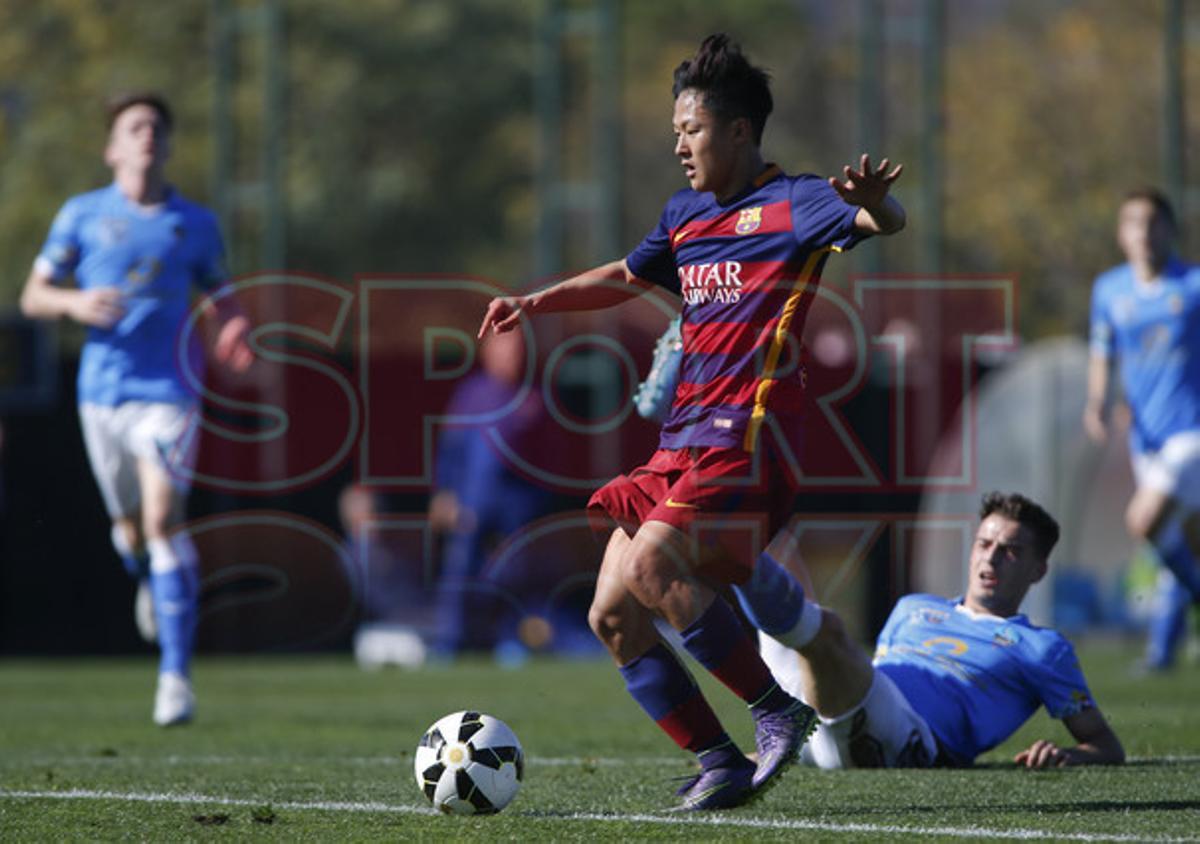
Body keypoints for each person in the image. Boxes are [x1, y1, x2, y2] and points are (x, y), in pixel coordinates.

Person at [478, 34, 906, 810]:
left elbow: (883, 222)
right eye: (675, 130)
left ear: (739, 131)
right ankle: (720, 758)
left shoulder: (794, 201)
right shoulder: (685, 215)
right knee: (611, 614)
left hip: (747, 438)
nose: (679, 144)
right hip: (681, 444)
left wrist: (875, 201)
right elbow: (622, 276)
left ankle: (776, 709)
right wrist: (535, 302)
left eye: (693, 129)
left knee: (650, 569)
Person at [19, 92, 252, 726]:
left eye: (156, 127)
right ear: (113, 148)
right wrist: (73, 304)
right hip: (101, 396)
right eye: (135, 126)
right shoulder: (82, 215)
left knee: (163, 518)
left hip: (171, 393)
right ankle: (149, 577)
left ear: (168, 145)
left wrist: (234, 330)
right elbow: (33, 295)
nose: (147, 135)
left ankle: (174, 678)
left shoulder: (193, 223)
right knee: (130, 529)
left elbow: (224, 296)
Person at [753, 492, 1125, 769]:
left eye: (1010, 550)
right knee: (767, 540)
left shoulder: (1043, 648)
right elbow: (870, 679)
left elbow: (1105, 745)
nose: (990, 558)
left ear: (1038, 571)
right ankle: (788, 739)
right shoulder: (914, 607)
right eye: (984, 543)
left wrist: (1068, 755)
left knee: (825, 630)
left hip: (906, 742)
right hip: (834, 720)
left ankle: (786, 734)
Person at [1084, 187, 1200, 671]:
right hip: (1145, 437)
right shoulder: (1109, 290)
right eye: (1134, 223)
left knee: (1143, 521)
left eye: (1154, 222)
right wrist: (1098, 403)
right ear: (1121, 234)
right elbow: (1102, 352)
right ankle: (1164, 651)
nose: (1145, 232)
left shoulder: (1192, 286)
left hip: (1191, 433)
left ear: (1170, 229)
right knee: (1185, 542)